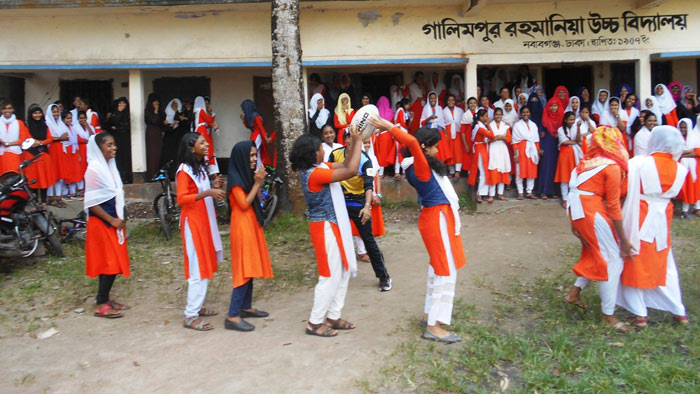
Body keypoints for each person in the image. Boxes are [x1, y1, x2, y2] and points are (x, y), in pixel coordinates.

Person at [369, 116, 466, 344]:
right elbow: (412, 143)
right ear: (425, 148)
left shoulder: (418, 165)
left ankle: (429, 316)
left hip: (435, 217)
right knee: (445, 269)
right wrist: (390, 127)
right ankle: (434, 325)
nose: (438, 149)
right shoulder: (419, 166)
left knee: (438, 268)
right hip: (436, 218)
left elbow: (414, 145)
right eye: (435, 145)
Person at [289, 126, 363, 338]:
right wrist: (358, 142)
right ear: (314, 154)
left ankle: (333, 316)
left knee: (343, 270)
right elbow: (351, 171)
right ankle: (314, 322)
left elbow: (348, 163)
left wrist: (352, 144)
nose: (324, 149)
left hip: (332, 225)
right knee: (329, 274)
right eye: (321, 147)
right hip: (324, 227)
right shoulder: (315, 173)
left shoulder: (319, 167)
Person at [563, 126, 633, 333]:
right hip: (590, 211)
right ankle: (608, 315)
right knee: (613, 257)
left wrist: (573, 224)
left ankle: (573, 293)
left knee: (596, 251)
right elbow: (613, 206)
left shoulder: (583, 163)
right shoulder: (611, 166)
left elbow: (573, 191)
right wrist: (624, 239)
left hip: (577, 210)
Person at [617, 126, 689, 327]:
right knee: (664, 263)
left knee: (633, 259)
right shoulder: (681, 168)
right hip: (662, 218)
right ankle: (678, 310)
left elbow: (622, 189)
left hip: (639, 215)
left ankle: (639, 313)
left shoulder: (639, 163)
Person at [329, 132, 392, 291]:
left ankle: (384, 277)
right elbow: (328, 176)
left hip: (358, 204)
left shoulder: (365, 160)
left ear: (359, 141)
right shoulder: (335, 155)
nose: (351, 140)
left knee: (368, 241)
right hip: (339, 204)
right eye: (348, 137)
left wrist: (367, 206)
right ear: (344, 140)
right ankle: (334, 277)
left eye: (355, 138)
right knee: (335, 241)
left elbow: (369, 185)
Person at [176, 133, 225, 331]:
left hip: (204, 221)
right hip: (193, 223)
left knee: (204, 262)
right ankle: (190, 315)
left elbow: (200, 193)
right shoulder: (183, 171)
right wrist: (208, 192)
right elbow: (182, 198)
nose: (206, 145)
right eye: (202, 142)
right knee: (198, 267)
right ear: (191, 148)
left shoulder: (201, 168)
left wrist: (213, 187)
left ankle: (197, 305)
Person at [225, 141, 274, 332]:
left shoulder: (244, 175)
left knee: (251, 265)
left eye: (255, 155)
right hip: (241, 226)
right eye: (251, 156)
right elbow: (244, 203)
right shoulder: (235, 178)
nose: (254, 159)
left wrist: (256, 183)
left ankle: (245, 307)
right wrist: (257, 183)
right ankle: (233, 315)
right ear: (241, 157)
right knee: (244, 268)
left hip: (250, 224)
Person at [84, 133, 131, 319]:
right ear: (99, 148)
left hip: (113, 221)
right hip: (102, 223)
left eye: (114, 144)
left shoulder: (109, 167)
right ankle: (100, 303)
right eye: (109, 145)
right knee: (110, 263)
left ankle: (105, 298)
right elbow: (92, 203)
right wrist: (112, 220)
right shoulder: (94, 170)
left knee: (111, 262)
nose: (114, 148)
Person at [23, 106, 55, 205]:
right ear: (31, 115)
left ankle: (44, 202)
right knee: (34, 179)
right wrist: (36, 143)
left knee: (44, 178)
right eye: (35, 113)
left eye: (39, 113)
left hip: (43, 154)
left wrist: (41, 143)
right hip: (31, 155)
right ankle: (36, 203)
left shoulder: (44, 126)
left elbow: (50, 139)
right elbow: (27, 139)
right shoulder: (27, 126)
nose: (38, 115)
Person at [512, 105, 541, 200]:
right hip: (521, 149)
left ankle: (529, 191)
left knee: (531, 171)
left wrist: (537, 152)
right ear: (520, 114)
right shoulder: (517, 125)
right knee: (520, 171)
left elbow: (536, 140)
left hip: (532, 149)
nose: (525, 114)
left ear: (530, 113)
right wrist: (516, 154)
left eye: (527, 112)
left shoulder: (533, 125)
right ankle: (520, 192)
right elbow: (515, 141)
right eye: (523, 112)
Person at [554, 112, 583, 208]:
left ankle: (573, 198)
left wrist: (578, 128)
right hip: (565, 155)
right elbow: (564, 141)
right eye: (570, 119)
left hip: (574, 154)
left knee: (574, 176)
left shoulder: (575, 128)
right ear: (565, 120)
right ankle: (565, 198)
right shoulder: (560, 129)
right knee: (564, 177)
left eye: (573, 120)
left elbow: (579, 139)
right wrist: (576, 142)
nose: (572, 121)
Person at [45, 104, 69, 207]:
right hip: (51, 150)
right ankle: (50, 197)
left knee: (59, 175)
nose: (56, 114)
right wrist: (59, 138)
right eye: (54, 112)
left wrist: (57, 138)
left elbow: (66, 137)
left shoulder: (61, 123)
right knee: (52, 174)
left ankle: (59, 197)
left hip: (60, 150)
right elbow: (50, 138)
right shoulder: (46, 123)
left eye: (57, 111)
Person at [538, 98, 563, 199]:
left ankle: (553, 191)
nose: (553, 108)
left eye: (555, 106)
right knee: (546, 167)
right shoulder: (545, 118)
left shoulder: (562, 118)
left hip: (558, 145)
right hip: (547, 144)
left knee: (555, 167)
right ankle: (543, 191)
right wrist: (541, 147)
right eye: (551, 106)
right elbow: (541, 132)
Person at [486, 108, 512, 202]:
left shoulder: (505, 126)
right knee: (493, 170)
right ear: (494, 115)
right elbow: (487, 138)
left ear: (502, 116)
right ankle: (491, 194)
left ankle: (500, 194)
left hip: (502, 149)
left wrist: (502, 137)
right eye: (496, 114)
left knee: (502, 170)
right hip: (493, 148)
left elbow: (509, 139)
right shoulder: (490, 125)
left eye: (500, 114)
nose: (498, 116)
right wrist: (495, 138)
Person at [677, 118, 700, 218]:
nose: (683, 129)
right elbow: (675, 151)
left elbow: (697, 152)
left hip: (694, 167)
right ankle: (684, 210)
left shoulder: (695, 137)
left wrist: (683, 153)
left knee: (696, 187)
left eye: (685, 127)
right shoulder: (676, 137)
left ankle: (697, 208)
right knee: (684, 188)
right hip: (681, 167)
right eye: (681, 127)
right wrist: (689, 151)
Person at [421, 91, 452, 167]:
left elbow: (442, 122)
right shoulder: (425, 108)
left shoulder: (439, 108)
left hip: (439, 131)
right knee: (430, 149)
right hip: (429, 131)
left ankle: (439, 167)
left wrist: (445, 133)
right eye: (431, 98)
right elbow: (422, 122)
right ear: (428, 99)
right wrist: (430, 118)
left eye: (434, 98)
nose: (433, 100)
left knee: (440, 151)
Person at [105, 97, 132, 183]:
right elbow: (109, 124)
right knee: (118, 157)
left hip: (125, 138)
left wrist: (117, 127)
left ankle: (127, 176)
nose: (122, 105)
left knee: (126, 157)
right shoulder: (114, 114)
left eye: (124, 104)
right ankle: (120, 176)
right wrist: (118, 113)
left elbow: (126, 126)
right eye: (120, 103)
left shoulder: (127, 114)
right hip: (116, 138)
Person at [0, 101, 30, 174]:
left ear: (13, 110)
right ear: (1, 110)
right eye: (4, 109)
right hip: (1, 154)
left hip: (15, 154)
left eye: (9, 108)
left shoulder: (19, 123)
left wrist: (8, 144)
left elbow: (22, 139)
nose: (7, 111)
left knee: (15, 175)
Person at [241, 99, 272, 168]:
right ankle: (259, 168)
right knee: (257, 153)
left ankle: (255, 168)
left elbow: (261, 128)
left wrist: (266, 138)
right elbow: (247, 126)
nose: (242, 111)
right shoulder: (251, 116)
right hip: (254, 135)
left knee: (252, 152)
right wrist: (243, 120)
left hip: (257, 136)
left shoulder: (256, 116)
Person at [192, 96, 219, 174]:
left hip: (198, 129)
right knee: (207, 149)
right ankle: (211, 170)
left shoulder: (195, 111)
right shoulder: (200, 110)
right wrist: (212, 114)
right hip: (202, 130)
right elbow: (209, 120)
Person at [442, 94, 465, 178]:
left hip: (457, 132)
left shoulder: (460, 110)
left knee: (458, 151)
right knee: (449, 151)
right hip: (448, 133)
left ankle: (458, 171)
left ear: (455, 101)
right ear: (446, 102)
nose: (451, 102)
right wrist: (445, 134)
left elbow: (462, 122)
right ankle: (451, 170)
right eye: (449, 100)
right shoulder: (443, 111)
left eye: (452, 100)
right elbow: (442, 124)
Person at [160, 98, 183, 176]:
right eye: (173, 104)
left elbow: (181, 121)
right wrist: (171, 125)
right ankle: (168, 173)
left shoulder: (180, 114)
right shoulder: (166, 114)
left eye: (176, 104)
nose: (175, 106)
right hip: (168, 137)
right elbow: (164, 126)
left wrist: (177, 112)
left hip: (177, 137)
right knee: (168, 154)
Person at [375, 96, 396, 177]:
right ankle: (392, 172)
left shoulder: (377, 114)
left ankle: (381, 173)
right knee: (390, 155)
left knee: (381, 155)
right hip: (389, 136)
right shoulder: (392, 113)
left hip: (380, 136)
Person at [145, 93, 164, 177]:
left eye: (157, 101)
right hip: (151, 132)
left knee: (159, 152)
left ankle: (158, 172)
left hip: (158, 132)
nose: (157, 103)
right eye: (154, 102)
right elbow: (154, 121)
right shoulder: (148, 111)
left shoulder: (160, 111)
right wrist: (155, 111)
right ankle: (152, 174)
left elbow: (161, 121)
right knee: (152, 153)